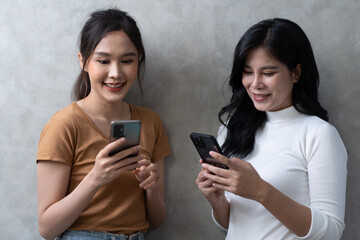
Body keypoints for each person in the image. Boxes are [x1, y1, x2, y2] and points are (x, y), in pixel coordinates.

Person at [196, 18, 347, 239]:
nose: (255, 83)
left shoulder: (319, 135)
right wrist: (217, 202)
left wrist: (260, 191)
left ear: (295, 73)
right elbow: (233, 225)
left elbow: (331, 232)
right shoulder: (232, 129)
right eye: (248, 72)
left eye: (268, 73)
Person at [36, 8, 170, 240]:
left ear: (138, 61)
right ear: (83, 62)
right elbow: (47, 229)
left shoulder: (151, 122)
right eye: (103, 61)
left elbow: (157, 221)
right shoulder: (64, 125)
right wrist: (96, 177)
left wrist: (151, 187)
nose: (116, 73)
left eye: (127, 61)